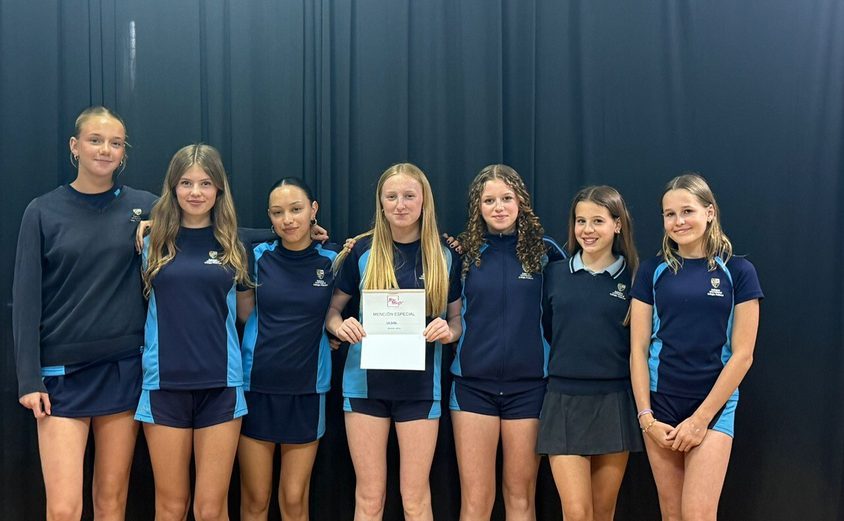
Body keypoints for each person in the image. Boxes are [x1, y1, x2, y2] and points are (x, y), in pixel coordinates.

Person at [13, 106, 156, 521]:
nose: (105, 149)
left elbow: (212, 232)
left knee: (111, 503)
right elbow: (25, 302)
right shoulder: (41, 211)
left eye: (115, 143)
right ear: (75, 147)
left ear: (123, 152)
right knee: (63, 509)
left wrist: (289, 234)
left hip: (123, 370)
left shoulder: (147, 207)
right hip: (61, 375)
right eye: (96, 140)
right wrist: (29, 377)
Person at [325, 163, 462, 521]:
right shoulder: (362, 251)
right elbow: (332, 313)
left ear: (423, 201)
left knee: (415, 500)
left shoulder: (446, 254)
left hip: (420, 389)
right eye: (392, 196)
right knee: (370, 499)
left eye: (408, 196)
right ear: (381, 202)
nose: (400, 204)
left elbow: (457, 320)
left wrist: (449, 332)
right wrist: (342, 327)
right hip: (364, 386)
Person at [630, 173, 763, 521]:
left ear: (710, 212)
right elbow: (638, 350)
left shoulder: (739, 271)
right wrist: (646, 417)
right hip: (661, 405)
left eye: (687, 211)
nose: (678, 221)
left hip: (713, 405)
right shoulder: (651, 271)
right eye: (669, 214)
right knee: (672, 513)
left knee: (698, 514)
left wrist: (700, 419)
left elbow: (744, 354)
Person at [137, 144, 251, 521]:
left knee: (210, 508)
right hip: (164, 385)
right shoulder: (151, 242)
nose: (196, 192)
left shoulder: (235, 245)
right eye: (186, 182)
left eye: (205, 183)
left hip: (220, 386)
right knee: (170, 507)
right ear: (172, 187)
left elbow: (248, 311)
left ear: (219, 188)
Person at [448, 164, 565, 521]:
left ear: (521, 201)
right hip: (472, 387)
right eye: (489, 200)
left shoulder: (547, 253)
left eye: (506, 198)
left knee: (520, 498)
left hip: (529, 389)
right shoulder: (463, 253)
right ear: (477, 207)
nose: (498, 207)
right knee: (475, 501)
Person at [538, 185, 643, 521]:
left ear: (617, 225)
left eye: (597, 220)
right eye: (580, 221)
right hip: (564, 400)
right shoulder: (554, 273)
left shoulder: (636, 277)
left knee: (602, 512)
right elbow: (547, 328)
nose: (587, 229)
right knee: (577, 512)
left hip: (614, 400)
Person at [237, 177, 339, 521]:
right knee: (255, 500)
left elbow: (338, 315)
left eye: (296, 209)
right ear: (269, 216)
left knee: (294, 499)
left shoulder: (333, 259)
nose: (288, 219)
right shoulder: (257, 255)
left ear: (314, 210)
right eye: (278, 213)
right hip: (257, 387)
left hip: (307, 389)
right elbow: (245, 312)